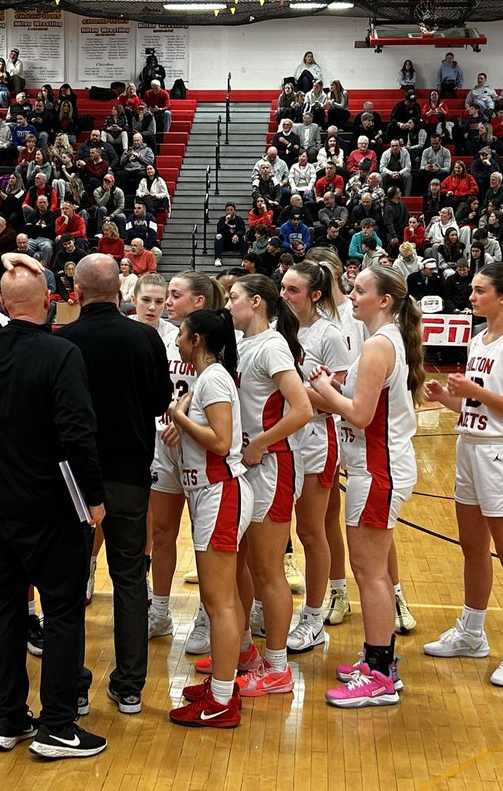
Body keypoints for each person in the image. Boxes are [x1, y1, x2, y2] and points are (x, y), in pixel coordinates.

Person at [0, 252, 108, 759]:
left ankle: (9, 718)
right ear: (49, 301)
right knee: (62, 610)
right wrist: (94, 497)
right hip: (52, 504)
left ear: (2, 303)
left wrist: (1, 260)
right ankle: (58, 726)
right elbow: (78, 432)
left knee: (7, 604)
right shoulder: (61, 352)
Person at [58, 255, 172, 715]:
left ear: (77, 293)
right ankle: (129, 687)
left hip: (73, 480)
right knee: (128, 578)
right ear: (121, 292)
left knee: (69, 581)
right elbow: (161, 401)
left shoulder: (63, 340)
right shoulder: (146, 338)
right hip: (130, 475)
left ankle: (74, 687)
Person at [307, 264, 424, 706]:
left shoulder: (378, 345)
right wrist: (326, 389)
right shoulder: (382, 341)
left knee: (370, 573)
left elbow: (358, 413)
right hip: (374, 467)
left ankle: (379, 674)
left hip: (379, 469)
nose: (351, 296)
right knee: (370, 571)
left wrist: (324, 388)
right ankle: (381, 662)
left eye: (359, 290)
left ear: (384, 301)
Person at [423, 262, 503, 687]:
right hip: (469, 448)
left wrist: (476, 392)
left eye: (479, 291)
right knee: (472, 548)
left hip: (502, 455)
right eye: (472, 290)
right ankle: (472, 633)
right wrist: (447, 399)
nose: (471, 297)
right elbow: (476, 406)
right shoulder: (477, 339)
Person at [211, 275, 313, 697]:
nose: (227, 304)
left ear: (255, 302)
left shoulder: (272, 345)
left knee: (268, 570)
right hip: (246, 464)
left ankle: (278, 668)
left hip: (273, 465)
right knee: (240, 565)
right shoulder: (243, 343)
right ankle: (245, 652)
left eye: (233, 297)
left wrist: (260, 443)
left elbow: (303, 409)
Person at [165, 307, 252, 728]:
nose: (177, 340)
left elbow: (221, 441)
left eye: (181, 334)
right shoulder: (208, 378)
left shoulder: (214, 378)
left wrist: (179, 418)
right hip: (213, 493)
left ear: (196, 340)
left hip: (221, 493)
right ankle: (222, 685)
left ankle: (220, 700)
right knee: (223, 600)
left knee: (219, 603)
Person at [146, 272, 227, 654]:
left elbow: (220, 392)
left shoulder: (219, 343)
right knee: (162, 531)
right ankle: (160, 611)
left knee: (203, 539)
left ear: (198, 301)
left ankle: (206, 616)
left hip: (201, 447)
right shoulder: (164, 337)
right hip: (163, 444)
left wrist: (185, 420)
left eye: (175, 295)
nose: (167, 301)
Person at [279, 262, 354, 655]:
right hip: (280, 437)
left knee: (311, 531)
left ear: (315, 295)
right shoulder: (276, 327)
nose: (284, 295)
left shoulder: (330, 335)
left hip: (315, 439)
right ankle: (265, 608)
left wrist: (290, 390)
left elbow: (335, 400)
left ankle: (312, 618)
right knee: (274, 530)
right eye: (282, 287)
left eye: (292, 290)